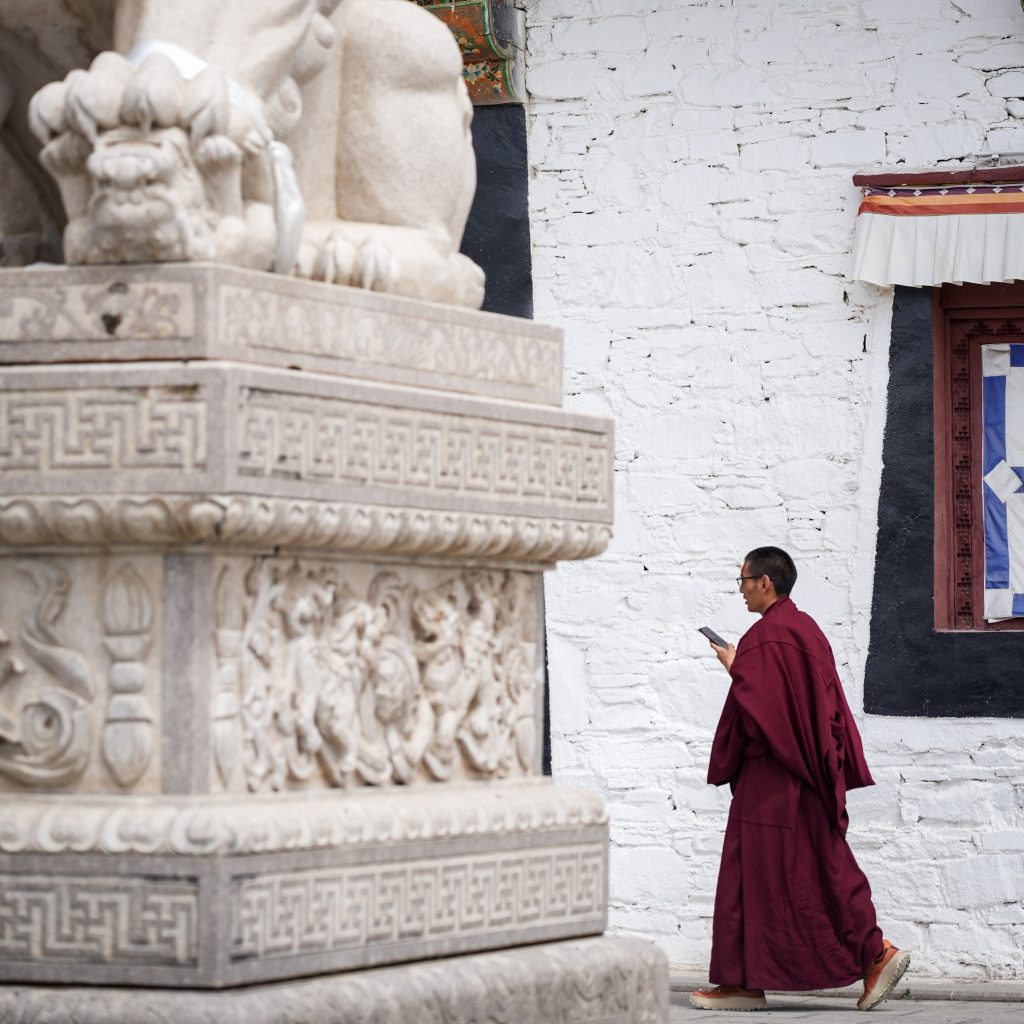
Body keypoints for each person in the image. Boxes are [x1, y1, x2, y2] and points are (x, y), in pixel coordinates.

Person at [689, 546, 910, 1012]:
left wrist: (737, 668)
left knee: (820, 866)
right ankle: (743, 981)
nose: (741, 589)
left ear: (765, 582)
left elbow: (771, 712)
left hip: (778, 776)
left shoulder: (769, 636)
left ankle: (876, 953)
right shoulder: (803, 629)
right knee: (760, 872)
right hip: (806, 770)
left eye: (744, 581)